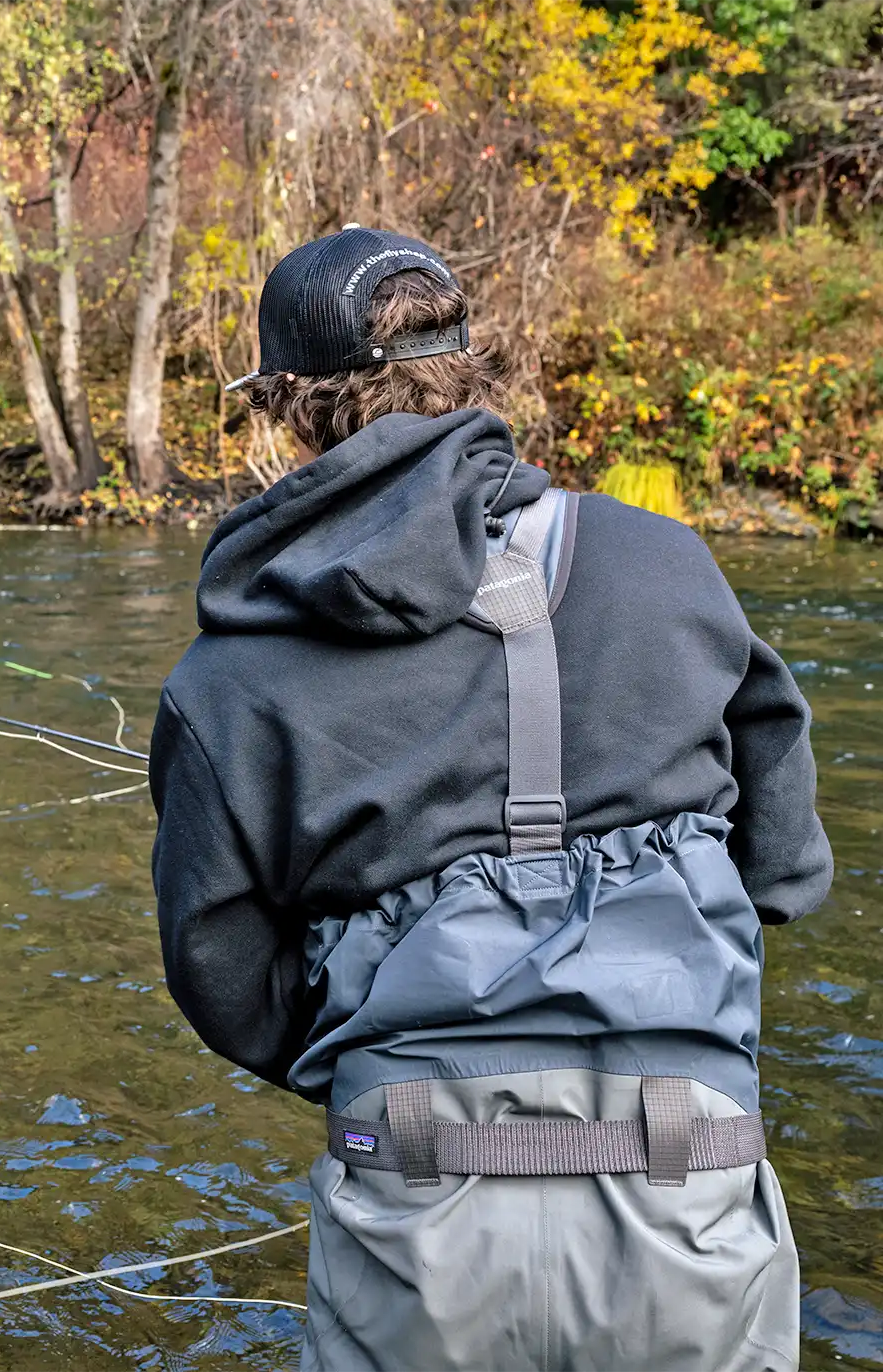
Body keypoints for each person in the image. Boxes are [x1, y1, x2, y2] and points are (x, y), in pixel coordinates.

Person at [148, 226, 831, 1372]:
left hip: (418, 1201)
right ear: (468, 369)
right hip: (694, 1175)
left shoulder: (230, 674)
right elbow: (785, 864)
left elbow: (218, 968)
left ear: (281, 415)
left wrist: (359, 1037)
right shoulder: (669, 564)